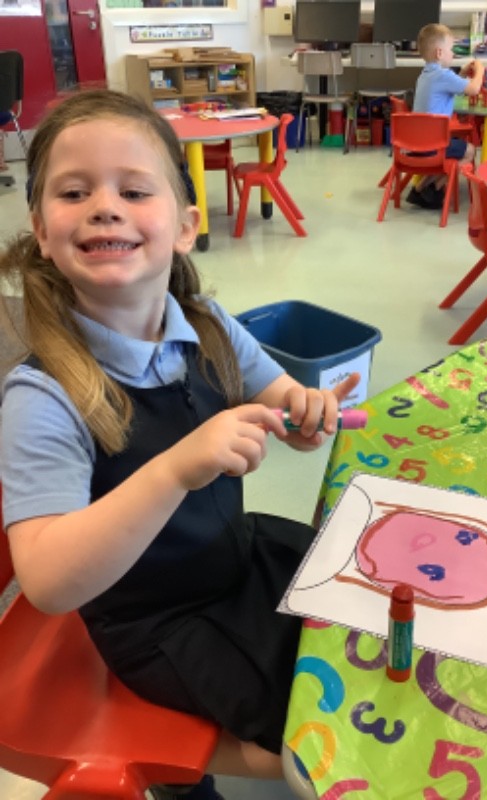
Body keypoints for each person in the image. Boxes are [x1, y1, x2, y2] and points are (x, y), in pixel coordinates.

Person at [0, 89, 360, 800]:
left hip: (238, 558)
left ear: (186, 226)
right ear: (42, 230)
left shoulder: (208, 323)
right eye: (75, 192)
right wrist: (175, 471)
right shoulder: (43, 396)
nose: (105, 206)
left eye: (134, 190)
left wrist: (305, 411)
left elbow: (278, 400)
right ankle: (185, 785)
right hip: (160, 623)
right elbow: (47, 583)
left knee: (362, 630)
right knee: (325, 737)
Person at [409, 23, 484, 210]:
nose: (453, 54)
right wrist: (480, 70)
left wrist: (462, 73)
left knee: (455, 148)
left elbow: (451, 85)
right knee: (470, 151)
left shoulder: (425, 75)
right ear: (439, 53)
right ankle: (433, 188)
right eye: (451, 49)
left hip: (414, 144)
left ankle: (420, 189)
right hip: (433, 146)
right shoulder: (443, 75)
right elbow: (474, 89)